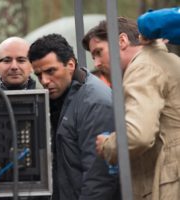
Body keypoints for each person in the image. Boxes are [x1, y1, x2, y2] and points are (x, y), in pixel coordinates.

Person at [83, 16, 180, 200]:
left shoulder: (142, 68)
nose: (95, 63)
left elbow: (138, 135)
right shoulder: (167, 59)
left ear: (122, 41)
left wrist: (108, 145)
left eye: (98, 52)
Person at [28, 33, 119, 200]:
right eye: (39, 75)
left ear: (70, 64)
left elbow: (99, 177)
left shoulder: (95, 102)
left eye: (50, 71)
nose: (45, 81)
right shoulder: (60, 97)